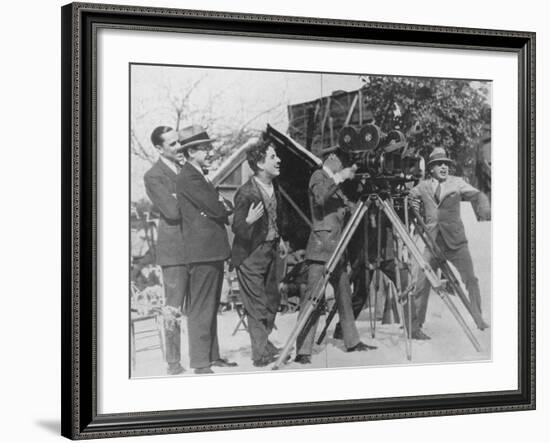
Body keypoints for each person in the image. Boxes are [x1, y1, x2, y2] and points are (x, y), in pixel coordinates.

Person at [294, 152, 377, 365]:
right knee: (313, 299)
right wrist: (340, 177)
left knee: (344, 297)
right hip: (322, 249)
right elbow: (320, 197)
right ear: (331, 158)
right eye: (343, 161)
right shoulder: (319, 176)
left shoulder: (335, 186)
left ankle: (352, 341)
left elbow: (350, 210)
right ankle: (303, 350)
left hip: (338, 248)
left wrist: (365, 192)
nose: (345, 165)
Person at [406, 147, 491, 340]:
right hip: (431, 242)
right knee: (421, 283)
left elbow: (477, 195)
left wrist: (483, 204)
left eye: (446, 163)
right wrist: (415, 211)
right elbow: (410, 198)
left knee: (470, 278)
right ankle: (415, 327)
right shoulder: (423, 186)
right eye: (439, 164)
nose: (444, 167)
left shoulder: (457, 183)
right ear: (431, 168)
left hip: (455, 242)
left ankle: (478, 319)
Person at [176, 125, 238, 374]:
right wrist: (220, 206)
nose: (210, 151)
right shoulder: (190, 177)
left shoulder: (196, 175)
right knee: (202, 307)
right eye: (205, 148)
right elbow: (218, 207)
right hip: (203, 252)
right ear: (191, 151)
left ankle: (212, 356)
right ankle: (201, 363)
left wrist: (221, 205)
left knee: (210, 305)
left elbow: (221, 205)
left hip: (209, 251)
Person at [231, 138, 289, 367]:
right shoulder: (246, 193)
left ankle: (264, 343)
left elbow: (275, 218)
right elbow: (237, 227)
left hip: (271, 250)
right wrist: (247, 220)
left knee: (272, 301)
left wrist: (280, 238)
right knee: (256, 305)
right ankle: (260, 354)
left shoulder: (277, 187)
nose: (279, 160)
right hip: (250, 255)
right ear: (259, 163)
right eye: (273, 157)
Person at [143, 126, 188, 375]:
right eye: (172, 144)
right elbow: (171, 212)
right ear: (159, 149)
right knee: (173, 308)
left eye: (179, 142)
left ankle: (207, 358)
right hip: (173, 251)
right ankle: (173, 362)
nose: (179, 147)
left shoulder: (186, 169)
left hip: (195, 247)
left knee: (203, 304)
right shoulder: (153, 176)